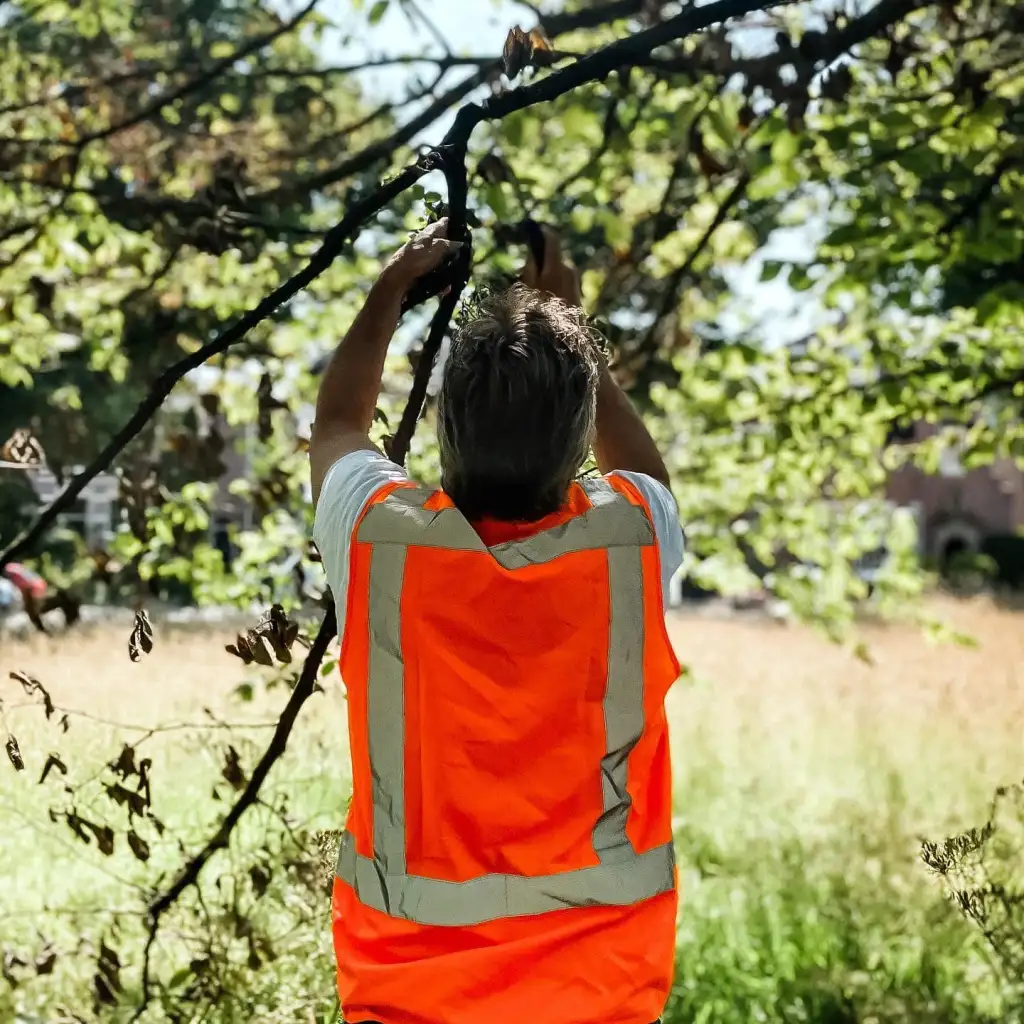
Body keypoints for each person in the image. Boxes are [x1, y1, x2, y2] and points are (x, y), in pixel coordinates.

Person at [309, 219, 684, 1024]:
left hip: (406, 986)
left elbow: (339, 422)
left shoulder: (382, 540)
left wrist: (390, 293)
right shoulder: (631, 542)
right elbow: (643, 470)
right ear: (580, 434)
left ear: (446, 425)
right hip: (603, 982)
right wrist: (572, 324)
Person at [1, 561, 81, 634]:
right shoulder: (13, 567)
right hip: (37, 586)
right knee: (33, 612)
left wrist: (26, 600)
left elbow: (24, 586)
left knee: (32, 611)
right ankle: (44, 632)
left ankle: (44, 633)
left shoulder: (10, 570)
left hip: (32, 590)